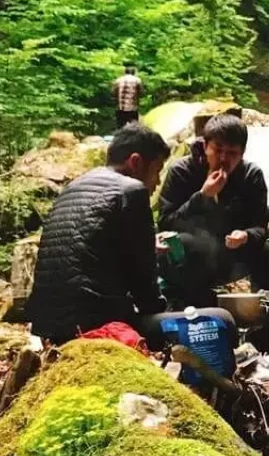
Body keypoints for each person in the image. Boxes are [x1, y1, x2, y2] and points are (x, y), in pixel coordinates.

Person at [26, 121, 233, 347]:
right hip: (98, 327)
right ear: (135, 162)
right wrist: (165, 315)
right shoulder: (131, 191)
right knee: (222, 320)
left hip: (49, 327)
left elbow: (91, 248)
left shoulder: (75, 186)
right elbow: (146, 291)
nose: (156, 183)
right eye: (156, 171)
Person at [157, 113, 269, 307]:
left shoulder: (250, 175)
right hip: (190, 252)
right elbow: (166, 222)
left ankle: (263, 320)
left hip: (232, 251)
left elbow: (260, 226)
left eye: (232, 153)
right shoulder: (182, 171)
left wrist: (246, 235)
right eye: (217, 150)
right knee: (186, 244)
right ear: (205, 146)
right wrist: (202, 196)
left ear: (242, 153)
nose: (223, 158)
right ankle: (188, 309)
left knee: (267, 255)